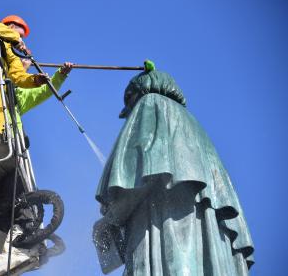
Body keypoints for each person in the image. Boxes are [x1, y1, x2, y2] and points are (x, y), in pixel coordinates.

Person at [93, 64, 254, 275]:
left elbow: (145, 175)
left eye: (129, 101)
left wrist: (111, 218)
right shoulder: (194, 127)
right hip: (208, 242)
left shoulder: (150, 105)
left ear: (138, 94)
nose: (129, 111)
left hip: (168, 230)